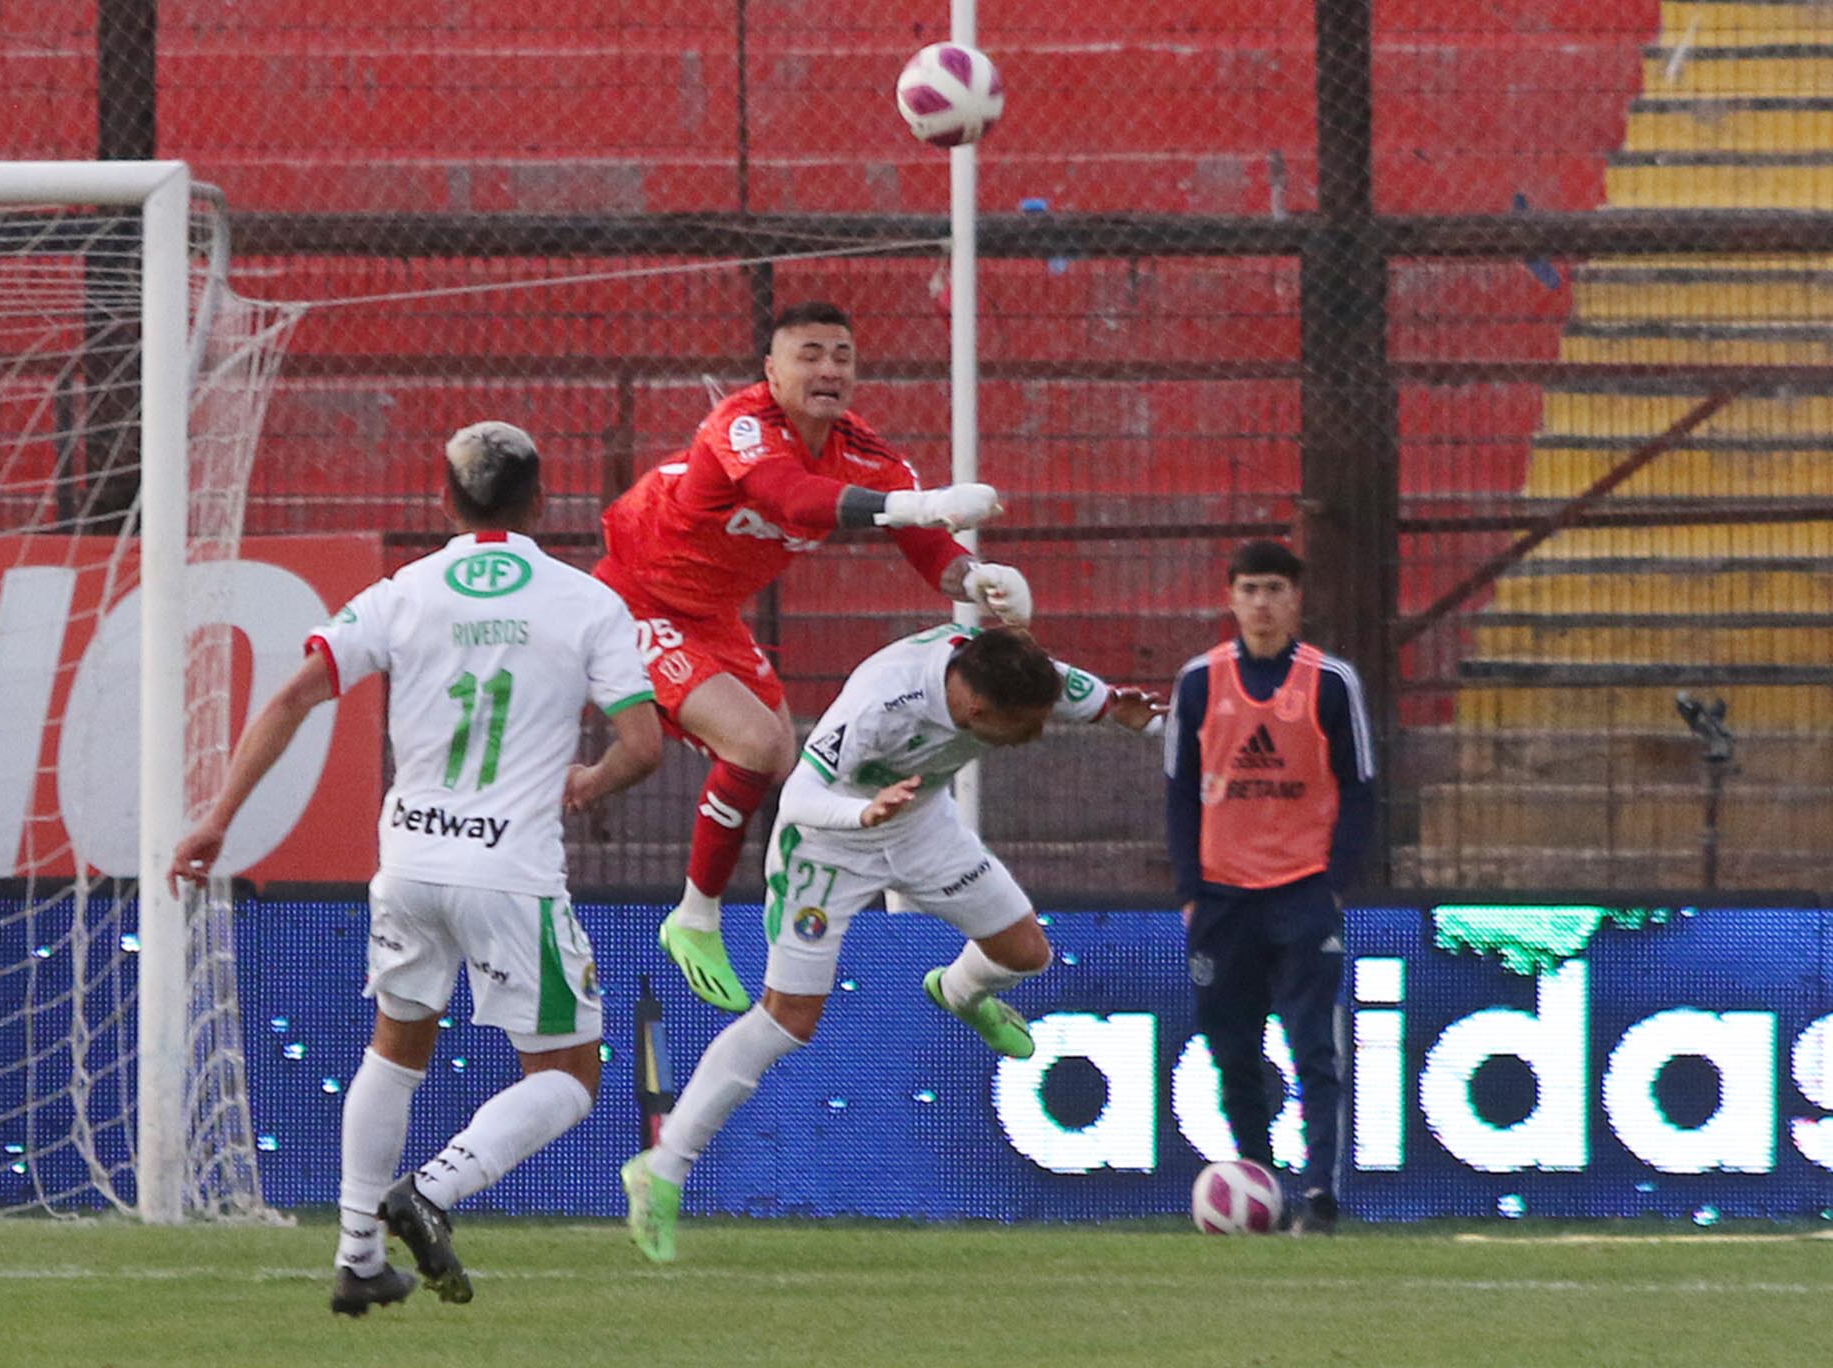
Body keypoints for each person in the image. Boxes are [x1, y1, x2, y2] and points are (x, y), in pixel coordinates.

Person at [168, 421, 663, 1314]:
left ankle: (357, 1255)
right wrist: (589, 781)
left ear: (444, 502)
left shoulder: (404, 591)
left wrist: (217, 818)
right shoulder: (586, 601)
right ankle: (432, 1190)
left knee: (395, 1051)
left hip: (409, 863)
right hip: (508, 872)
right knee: (568, 1075)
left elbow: (291, 696)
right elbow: (644, 743)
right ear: (543, 504)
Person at [616, 624, 1165, 1262]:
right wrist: (864, 813)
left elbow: (1080, 694)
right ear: (977, 712)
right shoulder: (882, 704)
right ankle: (663, 1168)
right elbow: (797, 797)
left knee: (1026, 953)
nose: (1036, 735)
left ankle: (958, 990)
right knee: (788, 1020)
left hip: (920, 823)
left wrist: (1128, 719)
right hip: (827, 843)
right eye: (1026, 727)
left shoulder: (1007, 675)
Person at [592, 299, 1035, 1016]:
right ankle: (695, 918)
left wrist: (978, 580)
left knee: (778, 760)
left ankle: (779, 897)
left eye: (842, 356)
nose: (829, 369)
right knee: (754, 741)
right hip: (635, 598)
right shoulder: (741, 425)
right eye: (810, 354)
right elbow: (790, 498)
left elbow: (932, 553)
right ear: (771, 370)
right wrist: (918, 507)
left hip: (711, 616)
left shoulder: (868, 454)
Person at [1162, 539, 1375, 1236]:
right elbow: (1178, 792)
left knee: (1314, 1043)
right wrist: (1190, 889)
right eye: (1250, 589)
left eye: (1275, 589)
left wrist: (1335, 884)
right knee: (1232, 1051)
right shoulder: (1199, 682)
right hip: (1222, 899)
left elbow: (1361, 788)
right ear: (1231, 597)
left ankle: (1318, 1192)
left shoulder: (1330, 682)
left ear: (1295, 600)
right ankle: (1258, 1181)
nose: (1261, 602)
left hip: (1302, 892)